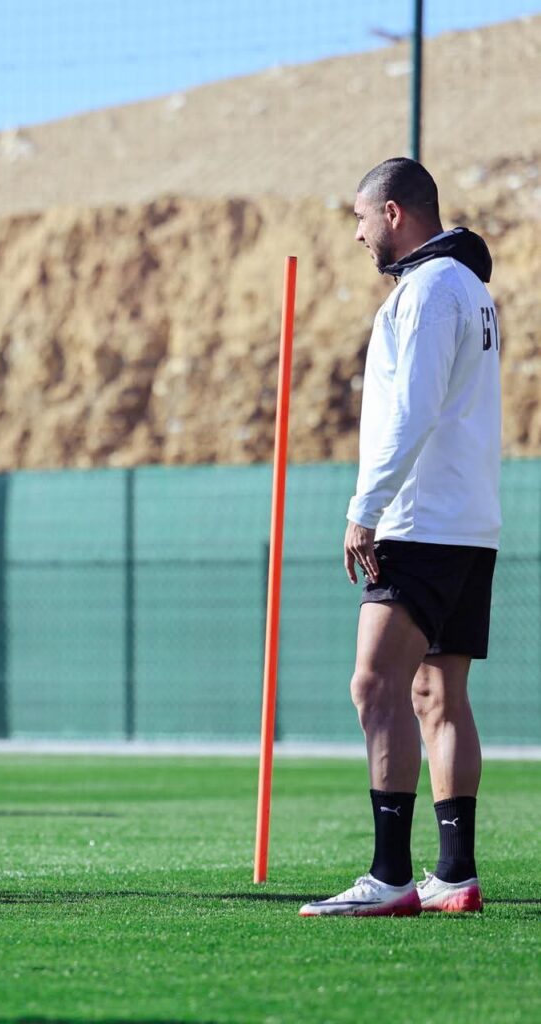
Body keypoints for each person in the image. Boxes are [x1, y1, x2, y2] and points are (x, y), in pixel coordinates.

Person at [299, 158, 501, 917]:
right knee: (435, 692)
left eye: (360, 217)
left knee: (374, 683)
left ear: (392, 213)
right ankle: (455, 874)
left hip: (419, 522)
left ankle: (389, 876)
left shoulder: (429, 289)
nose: (357, 234)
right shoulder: (467, 286)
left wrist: (366, 508)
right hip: (468, 523)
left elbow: (412, 409)